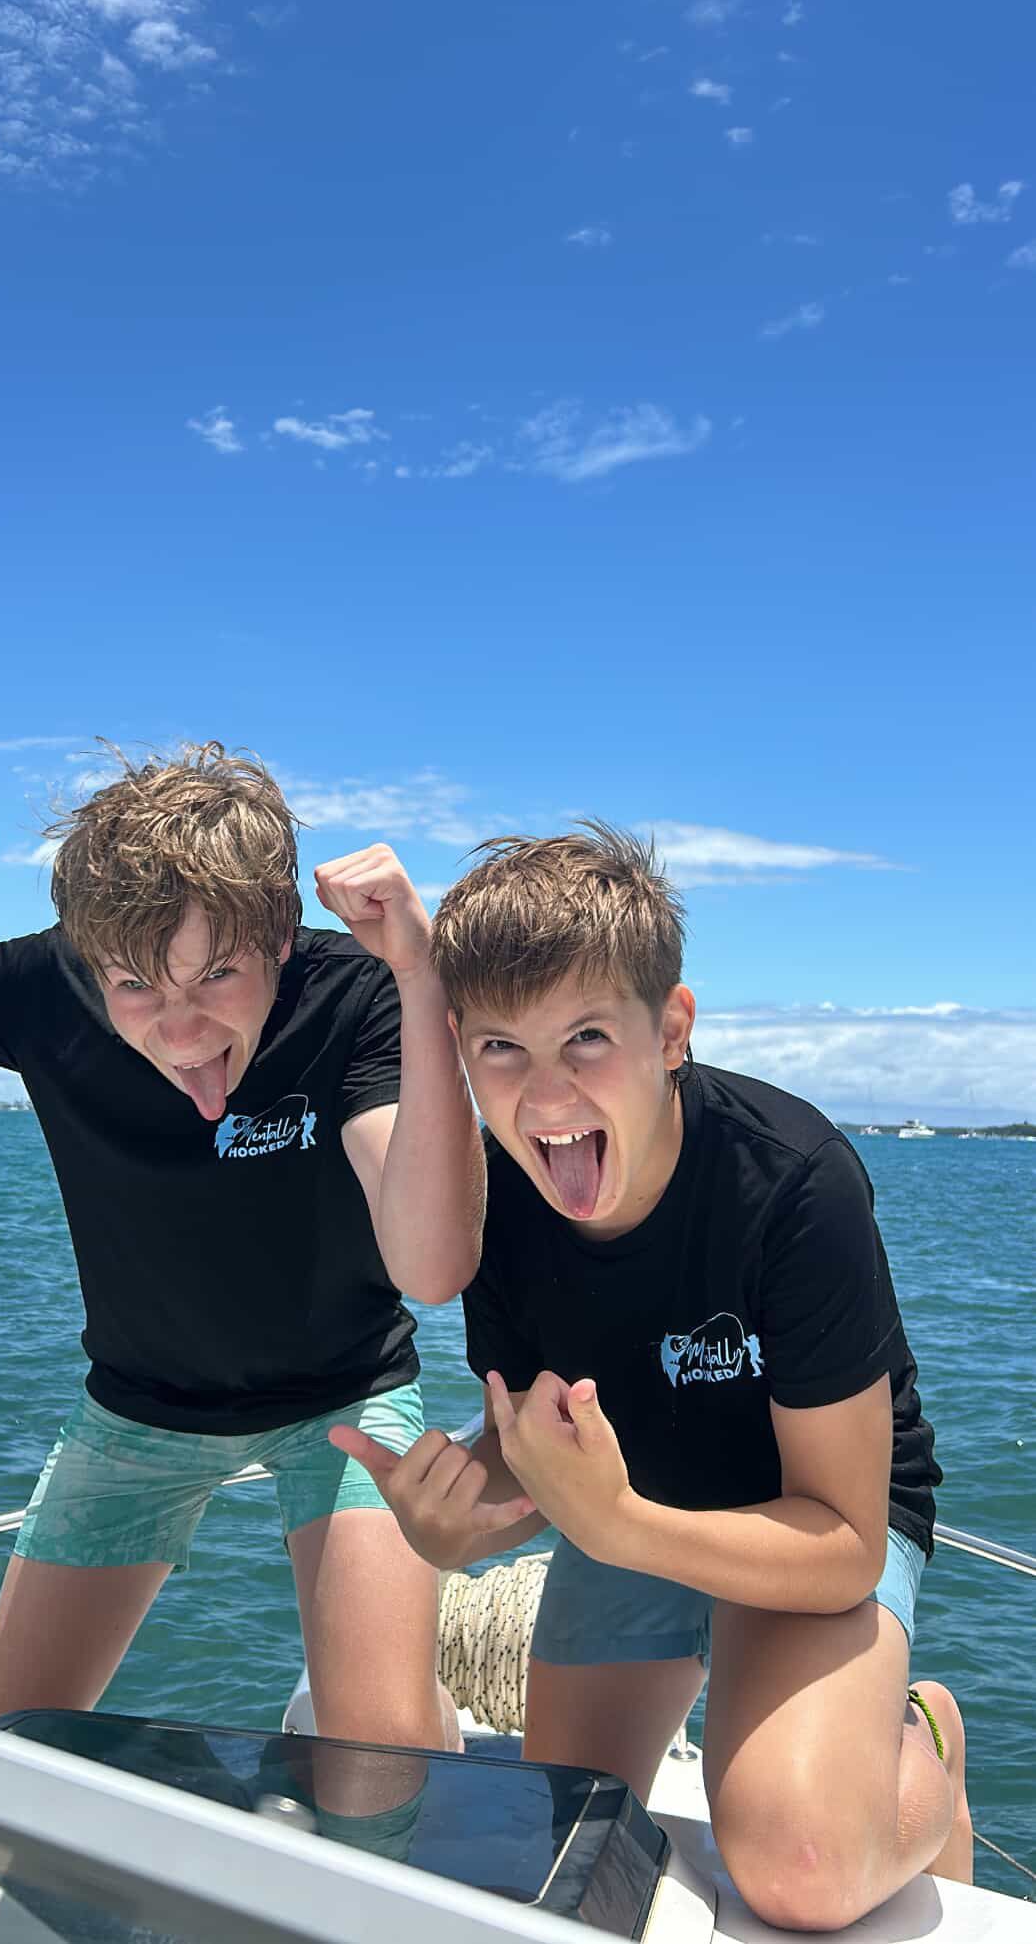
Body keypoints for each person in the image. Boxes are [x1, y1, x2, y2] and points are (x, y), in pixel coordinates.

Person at [0, 747, 484, 1756]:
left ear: (279, 933)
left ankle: (353, 1702)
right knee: (2, 1751)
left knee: (384, 1758)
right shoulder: (43, 982)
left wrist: (421, 976)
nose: (181, 1028)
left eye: (218, 972)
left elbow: (433, 1263)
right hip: (138, 1404)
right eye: (135, 982)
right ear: (89, 955)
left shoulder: (353, 994)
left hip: (346, 1396)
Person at [331, 823, 974, 1929]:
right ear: (459, 1050)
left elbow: (846, 1542)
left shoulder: (794, 1181)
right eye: (501, 1049)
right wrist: (449, 1524)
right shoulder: (508, 1198)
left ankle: (929, 1743)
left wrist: (619, 1522)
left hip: (808, 1525)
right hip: (632, 1508)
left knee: (799, 1865)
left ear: (671, 1027)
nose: (546, 1097)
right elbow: (531, 1446)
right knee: (559, 1840)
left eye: (586, 1036)